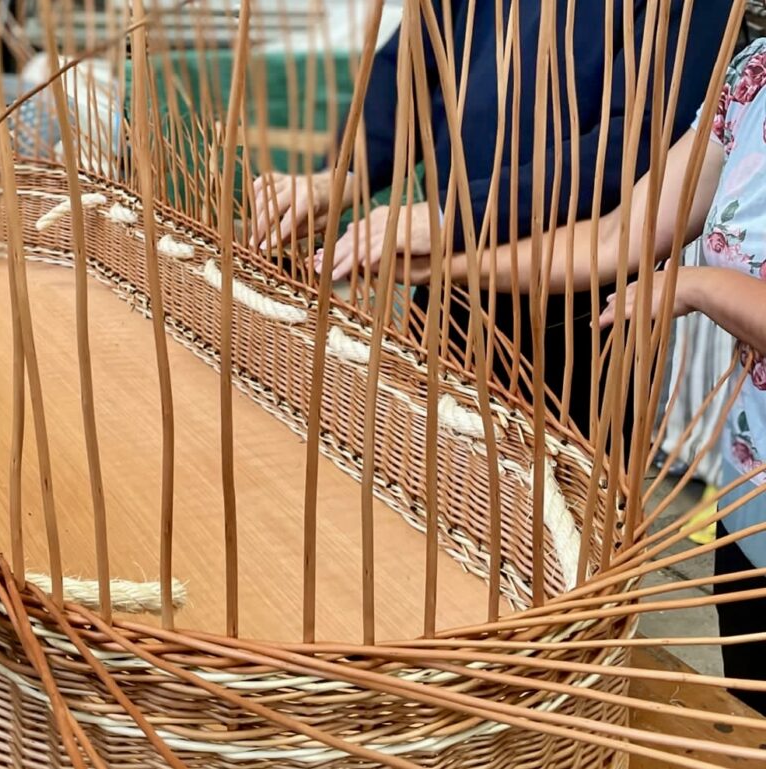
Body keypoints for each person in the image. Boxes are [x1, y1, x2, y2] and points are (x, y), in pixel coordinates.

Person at [429, 37, 766, 712]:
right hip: (750, 500)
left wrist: (698, 286)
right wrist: (439, 256)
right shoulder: (751, 78)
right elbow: (616, 238)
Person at [248, 0, 729, 435]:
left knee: (551, 504)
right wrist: (343, 173)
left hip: (582, 308)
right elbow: (411, 63)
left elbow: (636, 145)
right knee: (420, 465)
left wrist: (455, 216)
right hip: (448, 280)